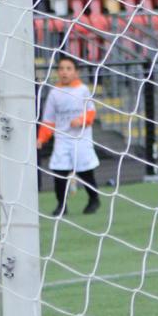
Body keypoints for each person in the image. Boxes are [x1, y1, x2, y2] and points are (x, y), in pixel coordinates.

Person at [37, 52, 101, 217]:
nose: (64, 72)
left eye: (68, 69)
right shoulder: (54, 93)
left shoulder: (83, 90)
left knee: (85, 172)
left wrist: (82, 120)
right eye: (61, 69)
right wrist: (41, 138)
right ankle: (61, 205)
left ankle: (94, 199)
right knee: (59, 172)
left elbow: (92, 113)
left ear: (76, 72)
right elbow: (49, 120)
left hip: (81, 139)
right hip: (62, 139)